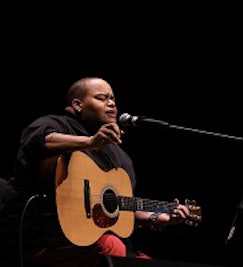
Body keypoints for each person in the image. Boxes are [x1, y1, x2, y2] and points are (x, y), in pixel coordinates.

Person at [0, 77, 192, 267]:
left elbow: (117, 208)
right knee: (111, 246)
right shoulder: (55, 124)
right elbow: (41, 141)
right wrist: (90, 142)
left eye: (113, 99)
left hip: (96, 242)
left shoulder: (120, 158)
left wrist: (155, 217)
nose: (111, 104)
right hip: (41, 236)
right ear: (77, 105)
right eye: (102, 98)